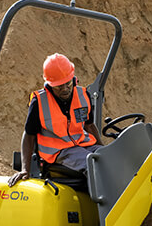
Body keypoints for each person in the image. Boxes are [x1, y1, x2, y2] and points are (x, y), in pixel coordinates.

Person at [8, 53, 102, 187]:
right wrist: (25, 169)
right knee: (92, 164)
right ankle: (108, 207)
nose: (65, 89)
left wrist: (103, 148)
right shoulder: (39, 102)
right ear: (49, 84)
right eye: (59, 86)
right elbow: (29, 135)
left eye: (68, 84)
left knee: (110, 157)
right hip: (58, 152)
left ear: (73, 78)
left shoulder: (83, 95)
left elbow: (90, 126)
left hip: (83, 144)